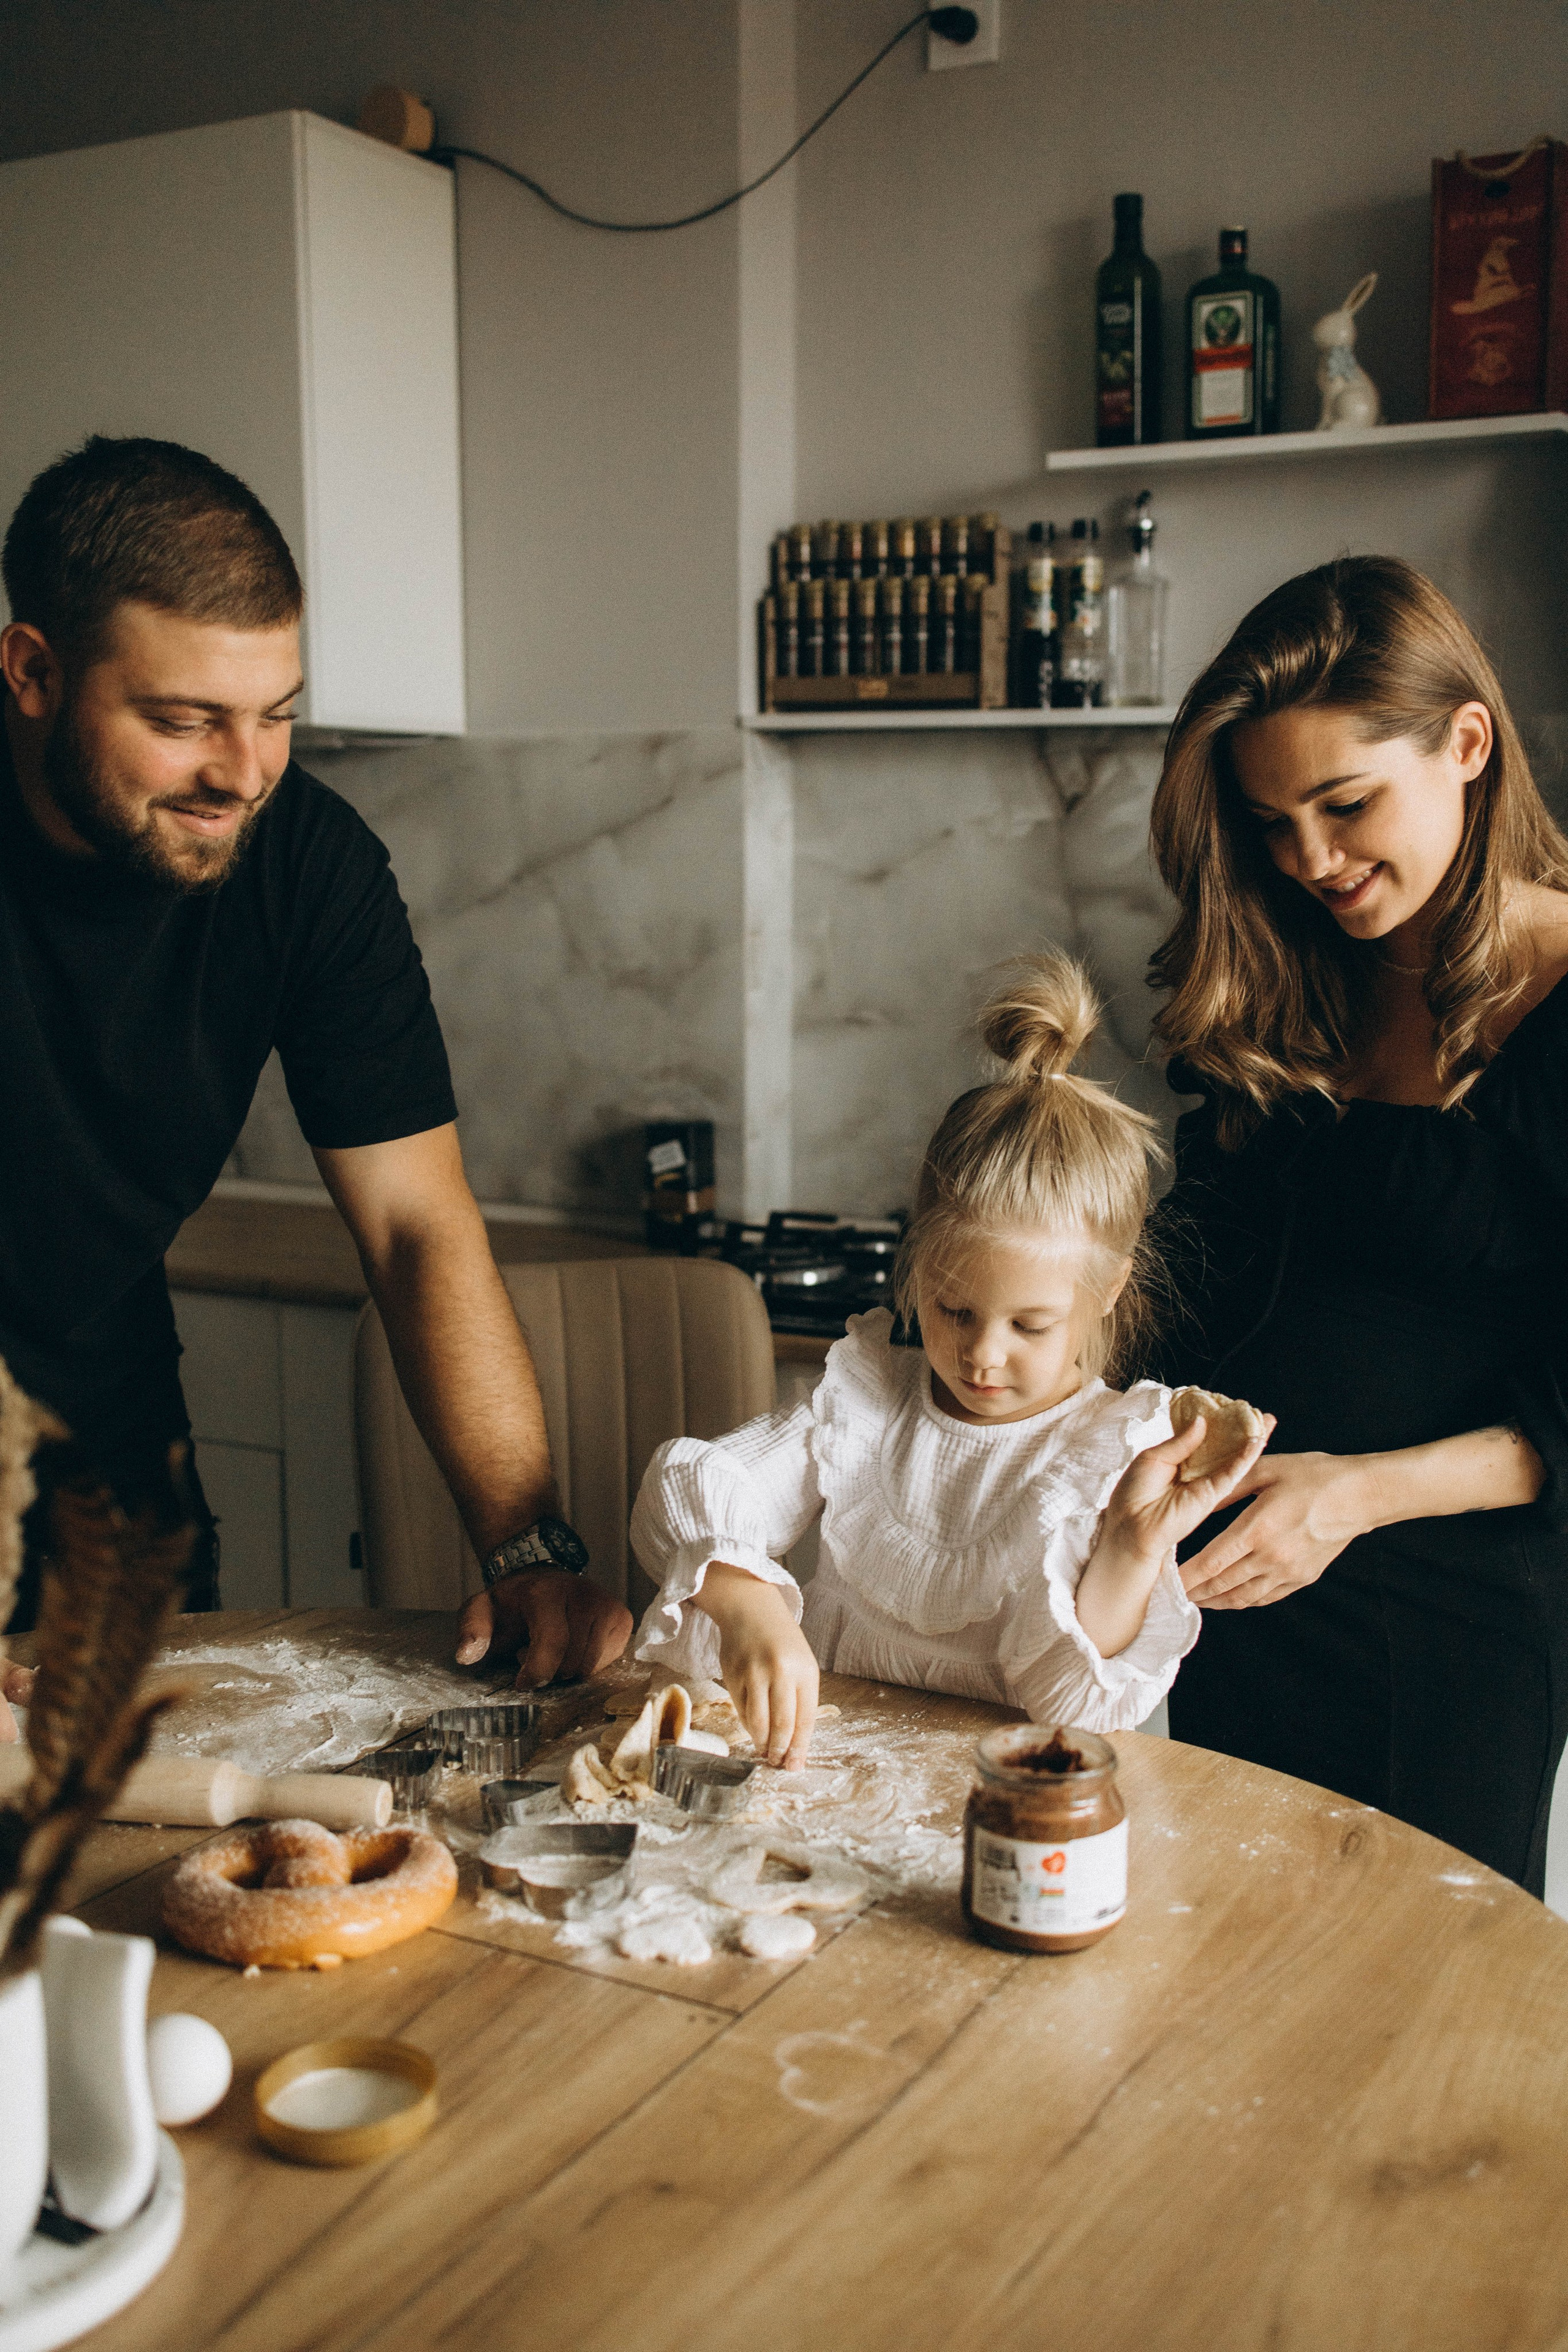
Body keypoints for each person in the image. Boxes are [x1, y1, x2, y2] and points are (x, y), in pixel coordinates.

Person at [0, 435, 631, 1714]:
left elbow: (413, 1226)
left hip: (111, 1435)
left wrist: (524, 1544)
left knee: (128, 1838)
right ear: (32, 672)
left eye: (275, 715)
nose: (243, 772)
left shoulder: (310, 867)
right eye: (183, 722)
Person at [1146, 553, 1568, 1895]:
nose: (1309, 861)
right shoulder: (1282, 986)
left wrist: (1353, 1494)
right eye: (1270, 823)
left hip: (1443, 1620)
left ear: (1463, 744)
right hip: (1235, 1592)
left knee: (1398, 2024)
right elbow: (1192, 1273)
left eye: (1343, 804)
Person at [628, 953, 1270, 1767]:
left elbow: (1068, 1708)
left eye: (1030, 1326)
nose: (982, 1354)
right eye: (952, 1308)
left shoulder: (1111, 1453)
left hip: (997, 1814)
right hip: (831, 1787)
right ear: (917, 1266)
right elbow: (680, 1487)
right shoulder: (865, 1402)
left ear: (1107, 1291)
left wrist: (1135, 1546)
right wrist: (747, 1606)